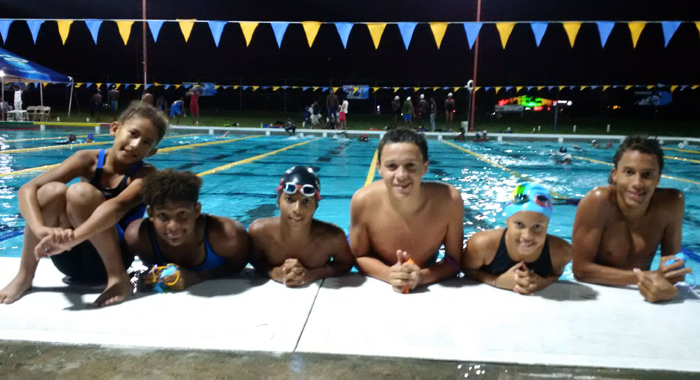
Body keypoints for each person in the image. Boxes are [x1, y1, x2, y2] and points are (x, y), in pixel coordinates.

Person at [0, 103, 169, 307]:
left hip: (111, 260)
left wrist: (71, 238)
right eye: (133, 134)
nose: (135, 144)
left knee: (81, 193)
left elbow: (114, 209)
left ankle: (117, 277)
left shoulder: (145, 175)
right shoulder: (85, 159)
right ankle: (25, 274)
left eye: (146, 142)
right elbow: (28, 189)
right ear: (115, 128)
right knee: (49, 191)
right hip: (69, 261)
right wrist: (41, 229)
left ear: (151, 152)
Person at [572, 136, 690, 303]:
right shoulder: (598, 202)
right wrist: (650, 277)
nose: (637, 183)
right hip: (596, 295)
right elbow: (581, 270)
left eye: (647, 175)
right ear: (615, 175)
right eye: (629, 172)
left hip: (641, 298)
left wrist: (668, 283)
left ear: (658, 179)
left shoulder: (671, 204)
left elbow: (672, 269)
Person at [350, 128, 464, 292]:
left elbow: (454, 261)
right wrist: (389, 274)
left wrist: (422, 277)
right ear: (379, 168)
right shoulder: (363, 202)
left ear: (425, 168)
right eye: (392, 166)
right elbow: (359, 256)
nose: (401, 175)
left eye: (410, 166)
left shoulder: (449, 201)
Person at [124, 169, 250, 292]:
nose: (173, 226)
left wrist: (197, 277)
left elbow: (238, 266)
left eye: (182, 213)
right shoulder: (139, 238)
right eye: (163, 215)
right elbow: (144, 268)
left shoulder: (227, 236)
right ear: (150, 214)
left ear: (196, 210)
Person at [250, 166, 354, 287]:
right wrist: (273, 272)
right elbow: (254, 260)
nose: (297, 210)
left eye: (306, 201)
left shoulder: (333, 237)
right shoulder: (260, 232)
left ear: (316, 205)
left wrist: (311, 274)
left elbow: (345, 264)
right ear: (278, 201)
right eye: (289, 199)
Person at [463, 183, 572, 294]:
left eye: (537, 226)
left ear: (548, 225)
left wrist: (542, 283)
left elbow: (556, 275)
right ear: (507, 222)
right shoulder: (482, 245)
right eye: (519, 224)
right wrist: (496, 281)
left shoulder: (562, 252)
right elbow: (467, 270)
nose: (527, 236)